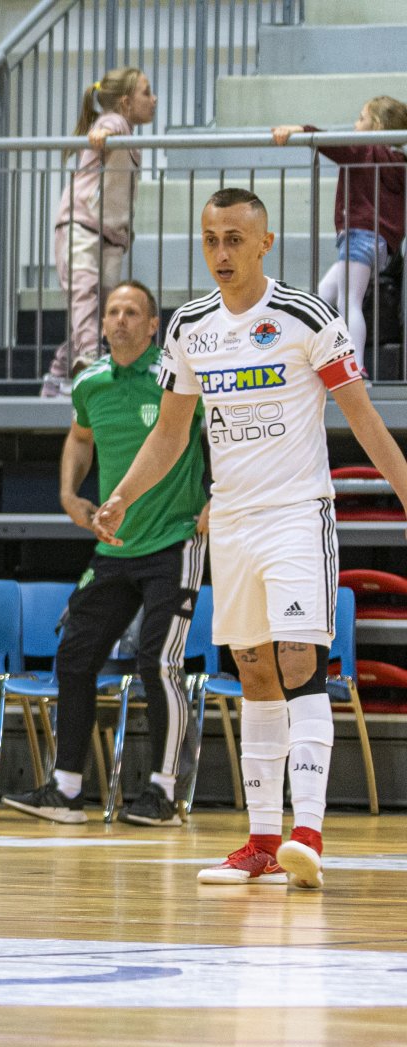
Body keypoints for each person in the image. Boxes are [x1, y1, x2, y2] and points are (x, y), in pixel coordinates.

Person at [94, 187, 407, 889]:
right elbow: (171, 433)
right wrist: (120, 496)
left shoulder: (306, 317)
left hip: (298, 513)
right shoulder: (191, 327)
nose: (221, 253)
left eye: (235, 239)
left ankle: (308, 834)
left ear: (265, 244)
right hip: (229, 521)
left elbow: (362, 418)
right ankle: (263, 841)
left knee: (299, 658)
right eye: (210, 239)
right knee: (254, 670)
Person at [4, 281, 207, 827]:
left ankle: (164, 792)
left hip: (173, 537)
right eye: (112, 310)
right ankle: (67, 790)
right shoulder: (90, 382)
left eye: (131, 312)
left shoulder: (178, 378)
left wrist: (215, 501)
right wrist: (69, 495)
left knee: (158, 662)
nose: (118, 320)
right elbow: (79, 437)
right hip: (113, 546)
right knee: (74, 655)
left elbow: (219, 440)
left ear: (152, 325)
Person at [273, 96, 407, 373]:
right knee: (324, 294)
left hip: (359, 236)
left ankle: (356, 367)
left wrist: (302, 129)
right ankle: (308, 356)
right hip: (381, 244)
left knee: (349, 301)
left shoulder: (364, 151)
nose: (355, 124)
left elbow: (332, 144)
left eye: (361, 118)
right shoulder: (399, 161)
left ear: (377, 126)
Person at [45, 68, 156, 398]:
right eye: (146, 92)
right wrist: (102, 133)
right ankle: (90, 365)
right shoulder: (115, 123)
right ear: (125, 102)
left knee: (99, 313)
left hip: (111, 236)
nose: (154, 99)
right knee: (85, 296)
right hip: (81, 227)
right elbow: (107, 125)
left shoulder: (131, 135)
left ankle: (55, 377)